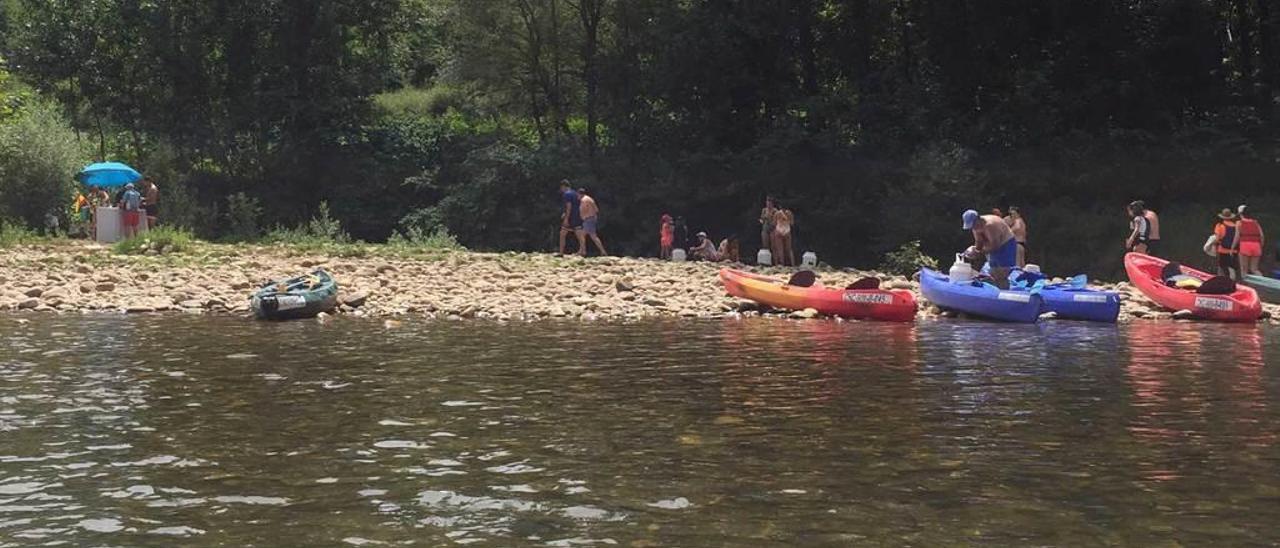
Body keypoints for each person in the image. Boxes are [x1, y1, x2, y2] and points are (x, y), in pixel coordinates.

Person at [963, 209, 1017, 288]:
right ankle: (996, 289)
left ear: (978, 219)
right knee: (993, 271)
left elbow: (995, 246)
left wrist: (979, 253)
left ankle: (1004, 291)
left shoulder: (989, 225)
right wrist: (974, 252)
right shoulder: (975, 228)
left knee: (1002, 271)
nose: (973, 227)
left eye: (974, 224)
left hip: (1006, 244)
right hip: (992, 246)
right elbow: (979, 242)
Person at [557, 180, 586, 256]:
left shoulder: (567, 194)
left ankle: (561, 252)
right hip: (577, 215)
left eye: (561, 187)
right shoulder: (575, 193)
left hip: (571, 217)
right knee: (579, 234)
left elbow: (569, 206)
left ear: (563, 186)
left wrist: (566, 218)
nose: (561, 189)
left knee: (562, 234)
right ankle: (583, 251)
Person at [576, 188, 607, 256]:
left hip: (588, 219)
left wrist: (584, 217)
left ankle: (583, 252)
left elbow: (582, 210)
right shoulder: (590, 199)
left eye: (577, 195)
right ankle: (583, 251)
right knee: (589, 236)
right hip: (592, 219)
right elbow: (596, 209)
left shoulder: (584, 200)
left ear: (579, 194)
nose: (577, 196)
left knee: (585, 235)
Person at [1237, 205, 1265, 276]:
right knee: (1254, 269)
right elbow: (1261, 236)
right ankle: (1262, 283)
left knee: (1244, 270)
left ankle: (1245, 286)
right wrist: (1261, 246)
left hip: (1245, 245)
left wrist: (1232, 247)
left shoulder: (1239, 223)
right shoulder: (1256, 222)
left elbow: (1237, 236)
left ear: (1240, 214)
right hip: (1256, 246)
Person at [1213, 208, 1240, 280]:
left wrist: (1213, 245)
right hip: (1234, 250)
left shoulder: (1220, 226)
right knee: (1232, 268)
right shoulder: (1236, 226)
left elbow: (1217, 238)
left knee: (1221, 267)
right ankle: (1233, 282)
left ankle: (1220, 281)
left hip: (1222, 250)